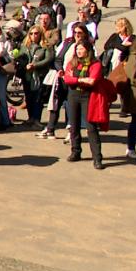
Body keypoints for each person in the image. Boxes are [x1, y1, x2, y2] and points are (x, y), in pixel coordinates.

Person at [63, 41, 105, 169]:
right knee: (74, 126)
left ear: (88, 50)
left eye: (81, 49)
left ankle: (97, 158)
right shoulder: (73, 63)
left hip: (88, 97)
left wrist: (75, 80)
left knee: (91, 128)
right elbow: (67, 78)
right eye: (77, 49)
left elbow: (92, 80)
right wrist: (81, 80)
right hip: (73, 96)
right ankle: (76, 151)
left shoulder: (95, 64)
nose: (79, 51)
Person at [19, 26, 54, 129]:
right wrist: (24, 65)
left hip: (40, 75)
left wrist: (35, 65)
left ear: (40, 34)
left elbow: (48, 59)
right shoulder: (25, 45)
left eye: (36, 33)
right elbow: (21, 57)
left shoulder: (46, 46)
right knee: (29, 98)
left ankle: (37, 119)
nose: (33, 36)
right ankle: (30, 118)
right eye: (31, 33)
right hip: (27, 75)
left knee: (38, 98)